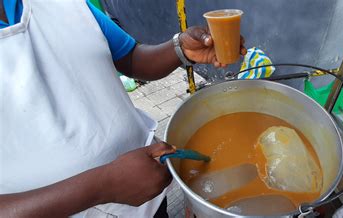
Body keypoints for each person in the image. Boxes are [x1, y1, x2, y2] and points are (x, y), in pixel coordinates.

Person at [0, 0, 246, 217]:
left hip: (148, 190)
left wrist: (180, 49)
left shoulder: (64, 4)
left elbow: (130, 57)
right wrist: (103, 186)